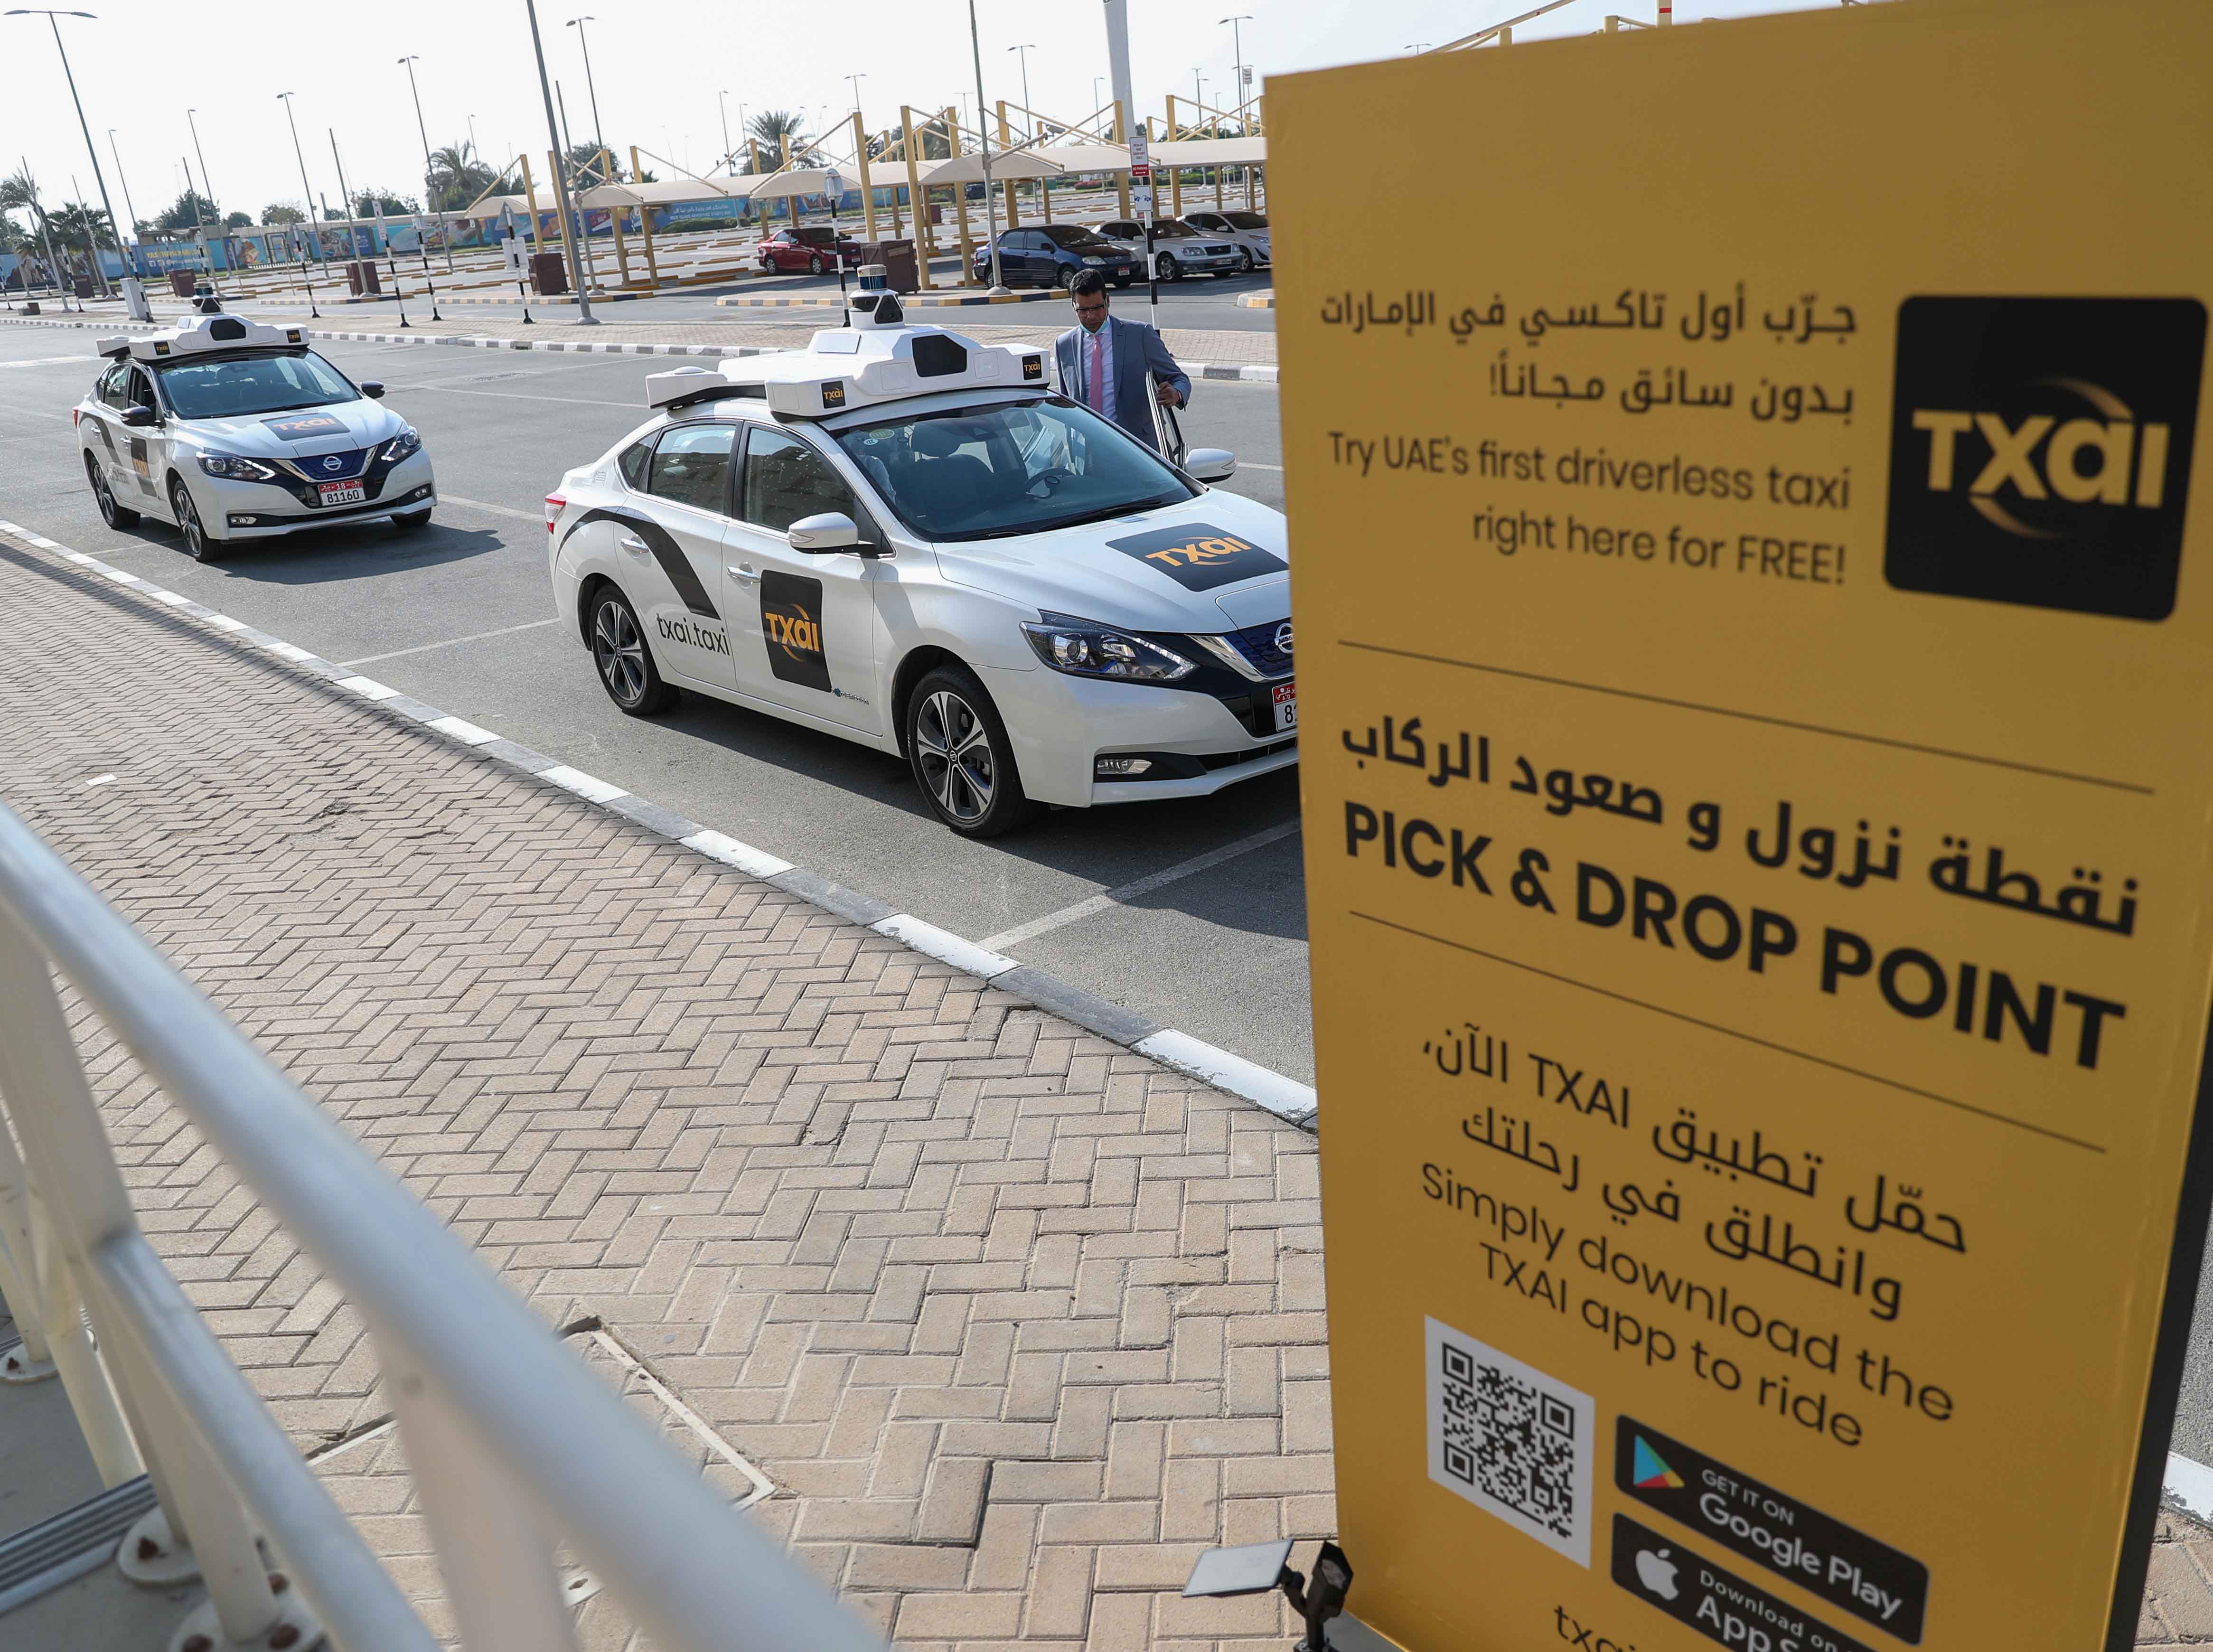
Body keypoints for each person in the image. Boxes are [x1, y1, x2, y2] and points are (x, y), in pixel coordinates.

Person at [1054, 269, 1191, 453]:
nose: (1091, 316)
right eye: (1083, 310)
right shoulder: (1064, 345)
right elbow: (1068, 405)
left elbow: (1179, 379)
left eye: (1097, 308)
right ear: (1073, 306)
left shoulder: (1140, 335)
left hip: (1139, 450)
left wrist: (1176, 394)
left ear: (1108, 301)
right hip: (1087, 452)